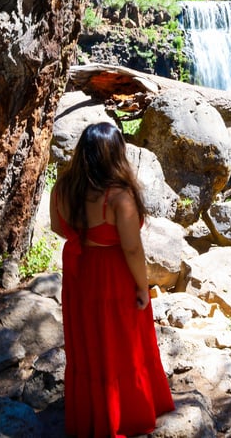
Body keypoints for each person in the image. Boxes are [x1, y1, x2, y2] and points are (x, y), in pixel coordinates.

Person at [50, 122, 174, 437]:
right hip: (112, 275)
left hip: (79, 274)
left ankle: (92, 413)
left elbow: (56, 227)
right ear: (116, 155)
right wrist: (143, 288)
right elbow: (132, 248)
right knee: (120, 342)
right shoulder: (119, 197)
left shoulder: (62, 188)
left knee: (88, 341)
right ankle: (123, 415)